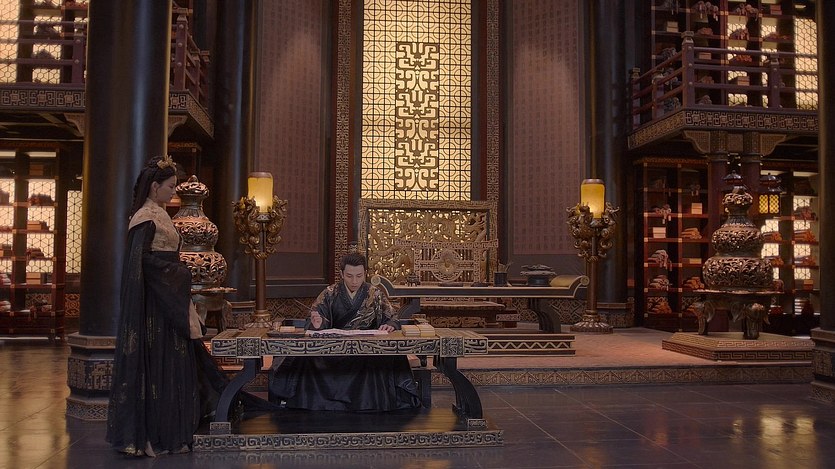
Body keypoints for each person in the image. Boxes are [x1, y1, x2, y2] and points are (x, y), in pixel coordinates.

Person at [106, 155, 218, 456]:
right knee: (159, 364)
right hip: (156, 304)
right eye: (170, 186)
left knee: (175, 361)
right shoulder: (145, 217)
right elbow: (140, 262)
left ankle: (174, 433)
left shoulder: (161, 214)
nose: (173, 192)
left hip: (169, 297)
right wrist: (178, 274)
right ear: (154, 187)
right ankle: (155, 436)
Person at [268, 252, 421, 411]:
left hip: (366, 349)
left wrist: (390, 324)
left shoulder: (374, 294)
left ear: (365, 273)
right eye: (349, 276)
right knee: (307, 359)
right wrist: (318, 323)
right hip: (334, 350)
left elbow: (392, 317)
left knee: (384, 358)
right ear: (341, 274)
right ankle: (320, 405)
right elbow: (315, 320)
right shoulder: (329, 293)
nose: (354, 281)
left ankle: (371, 406)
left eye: (359, 276)